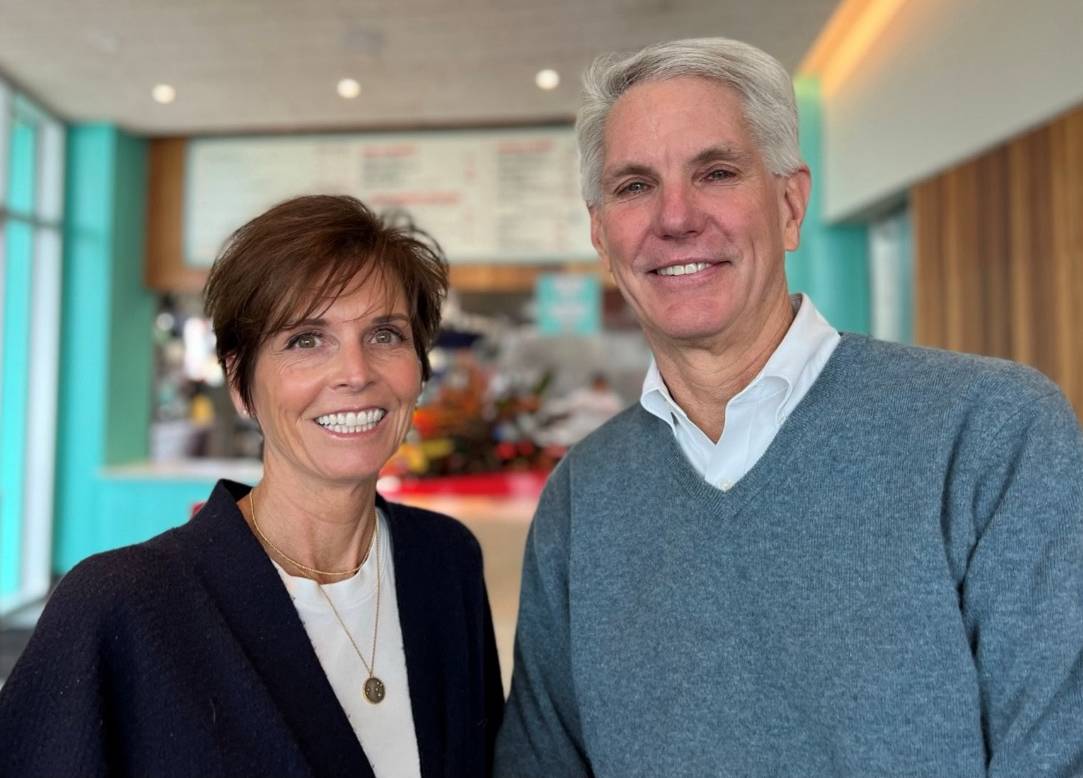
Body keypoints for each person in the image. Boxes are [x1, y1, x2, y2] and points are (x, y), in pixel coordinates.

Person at [495, 38, 1083, 777]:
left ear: (789, 204)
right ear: (601, 237)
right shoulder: (584, 494)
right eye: (634, 185)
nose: (674, 217)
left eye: (715, 172)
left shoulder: (989, 433)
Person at [0, 195, 504, 777]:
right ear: (240, 384)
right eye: (306, 340)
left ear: (419, 366)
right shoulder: (120, 606)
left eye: (385, 334)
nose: (356, 373)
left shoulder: (445, 562)